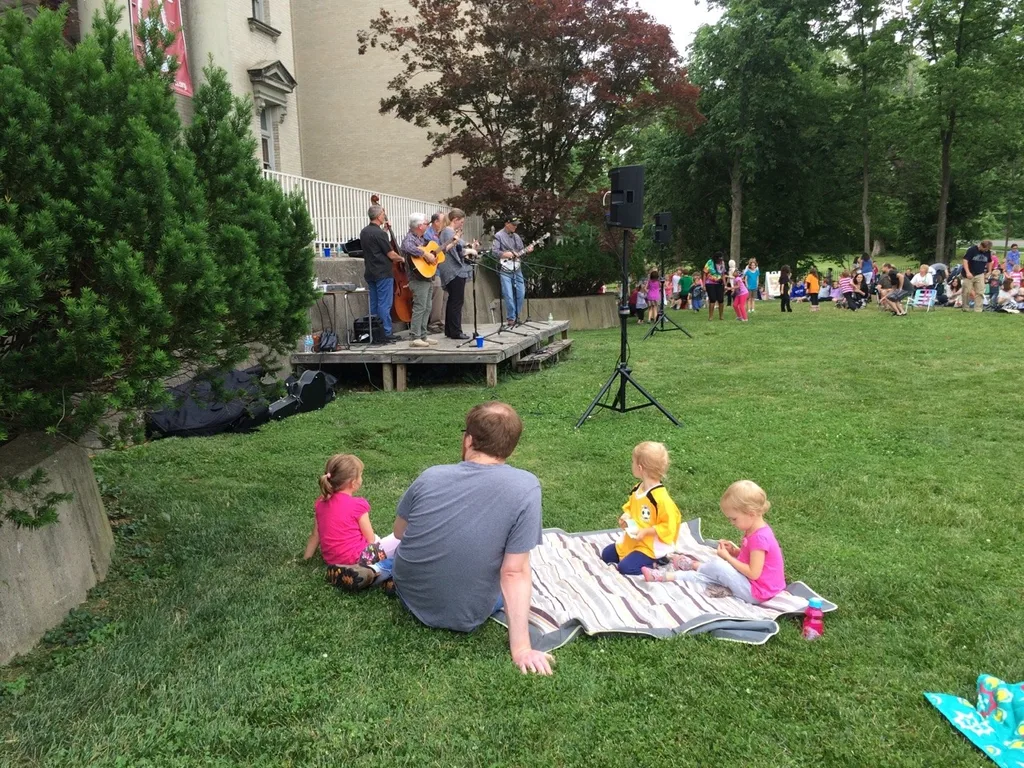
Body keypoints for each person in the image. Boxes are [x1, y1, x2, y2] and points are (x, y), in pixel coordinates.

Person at [335, 402, 554, 675]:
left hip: (411, 591)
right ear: (511, 446)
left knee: (408, 549)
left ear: (469, 439)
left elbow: (401, 533)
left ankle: (380, 570)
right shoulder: (526, 486)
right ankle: (383, 572)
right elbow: (513, 572)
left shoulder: (430, 476)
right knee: (518, 563)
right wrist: (521, 648)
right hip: (469, 612)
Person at [642, 480, 786, 606]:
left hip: (758, 593)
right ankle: (665, 576)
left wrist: (728, 558)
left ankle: (694, 565)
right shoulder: (753, 529)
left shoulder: (760, 538)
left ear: (751, 513)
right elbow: (751, 558)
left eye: (734, 519)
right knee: (713, 573)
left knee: (719, 567)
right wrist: (735, 552)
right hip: (754, 585)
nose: (731, 522)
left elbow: (753, 573)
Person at [303, 454, 400, 584]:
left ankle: (367, 574)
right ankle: (383, 572)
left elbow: (315, 535)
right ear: (353, 483)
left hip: (333, 561)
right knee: (396, 540)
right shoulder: (358, 505)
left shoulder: (321, 502)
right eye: (361, 474)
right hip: (358, 557)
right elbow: (370, 539)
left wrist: (306, 559)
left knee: (380, 547)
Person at [602, 442, 681, 576]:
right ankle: (634, 556)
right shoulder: (638, 488)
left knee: (626, 568)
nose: (631, 464)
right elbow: (632, 506)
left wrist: (646, 532)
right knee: (607, 554)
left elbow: (669, 525)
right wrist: (626, 515)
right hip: (634, 540)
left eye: (632, 461)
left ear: (640, 468)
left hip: (650, 545)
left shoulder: (660, 499)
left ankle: (660, 562)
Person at [359, 205, 404, 342]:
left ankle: (374, 332)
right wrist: (402, 258)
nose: (384, 216)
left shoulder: (364, 232)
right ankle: (386, 331)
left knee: (374, 303)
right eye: (383, 214)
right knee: (384, 303)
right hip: (383, 272)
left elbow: (376, 245)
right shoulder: (380, 234)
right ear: (379, 216)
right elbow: (390, 254)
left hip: (370, 272)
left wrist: (385, 230)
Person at [437, 208, 478, 340]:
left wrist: (470, 247)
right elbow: (456, 251)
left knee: (452, 300)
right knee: (457, 301)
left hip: (449, 270)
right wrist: (470, 251)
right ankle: (456, 331)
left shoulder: (447, 231)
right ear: (455, 220)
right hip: (453, 270)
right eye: (461, 222)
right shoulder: (448, 232)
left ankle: (450, 330)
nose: (462, 225)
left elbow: (460, 246)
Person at [401, 212, 438, 347]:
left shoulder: (422, 240)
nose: (428, 225)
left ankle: (423, 334)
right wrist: (425, 254)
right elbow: (406, 247)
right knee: (420, 306)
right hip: (417, 278)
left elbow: (430, 253)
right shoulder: (409, 238)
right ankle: (414, 337)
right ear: (419, 225)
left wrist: (432, 256)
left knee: (427, 307)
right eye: (426, 223)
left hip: (426, 276)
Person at [492, 218, 533, 326]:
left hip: (517, 267)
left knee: (521, 292)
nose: (515, 227)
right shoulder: (499, 235)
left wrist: (527, 251)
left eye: (516, 225)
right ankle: (511, 318)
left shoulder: (517, 237)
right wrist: (507, 254)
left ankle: (516, 315)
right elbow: (495, 252)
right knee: (508, 294)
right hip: (505, 267)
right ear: (507, 223)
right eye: (513, 225)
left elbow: (521, 251)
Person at [962, 240, 993, 313]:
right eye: (985, 249)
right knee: (967, 291)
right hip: (969, 274)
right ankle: (965, 308)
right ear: (981, 246)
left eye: (987, 249)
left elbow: (989, 261)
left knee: (980, 292)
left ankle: (978, 309)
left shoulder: (988, 252)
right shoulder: (972, 250)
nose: (986, 251)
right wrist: (967, 272)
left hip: (980, 274)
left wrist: (989, 271)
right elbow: (965, 260)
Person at [703, 252, 727, 320]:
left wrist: (725, 285)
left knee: (721, 299)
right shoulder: (710, 262)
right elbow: (705, 273)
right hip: (710, 283)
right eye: (719, 259)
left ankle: (721, 316)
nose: (720, 260)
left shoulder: (722, 263)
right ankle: (710, 316)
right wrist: (704, 285)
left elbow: (723, 274)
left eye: (721, 259)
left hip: (719, 283)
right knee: (712, 299)